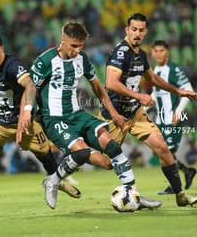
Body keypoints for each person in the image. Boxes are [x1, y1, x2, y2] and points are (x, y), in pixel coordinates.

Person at [30, 21, 161, 210]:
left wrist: (114, 114)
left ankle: (133, 195)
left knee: (111, 153)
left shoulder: (82, 59)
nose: (77, 50)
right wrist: (27, 115)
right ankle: (53, 180)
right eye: (74, 46)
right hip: (54, 119)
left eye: (81, 46)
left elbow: (98, 87)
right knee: (81, 152)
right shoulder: (45, 61)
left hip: (78, 115)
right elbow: (29, 89)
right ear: (63, 40)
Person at [0, 32, 82, 219]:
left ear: (2, 49)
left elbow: (30, 86)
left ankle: (57, 180)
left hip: (23, 120)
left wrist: (27, 112)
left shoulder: (12, 66)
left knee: (45, 156)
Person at [98, 13, 197, 207]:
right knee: (105, 163)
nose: (137, 33)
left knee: (162, 147)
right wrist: (140, 96)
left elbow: (152, 78)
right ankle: (65, 167)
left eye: (141, 30)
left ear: (145, 31)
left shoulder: (141, 55)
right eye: (133, 29)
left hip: (135, 113)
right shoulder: (120, 52)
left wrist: (178, 90)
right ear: (127, 30)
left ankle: (180, 194)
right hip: (115, 114)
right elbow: (111, 84)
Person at [150, 40, 197, 195]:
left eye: (162, 50)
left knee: (168, 152)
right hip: (160, 120)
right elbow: (155, 94)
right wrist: (142, 107)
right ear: (152, 53)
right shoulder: (155, 70)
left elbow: (188, 90)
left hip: (172, 119)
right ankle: (187, 171)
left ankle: (173, 186)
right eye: (156, 50)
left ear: (168, 52)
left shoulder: (174, 69)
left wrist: (178, 112)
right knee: (159, 152)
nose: (158, 53)